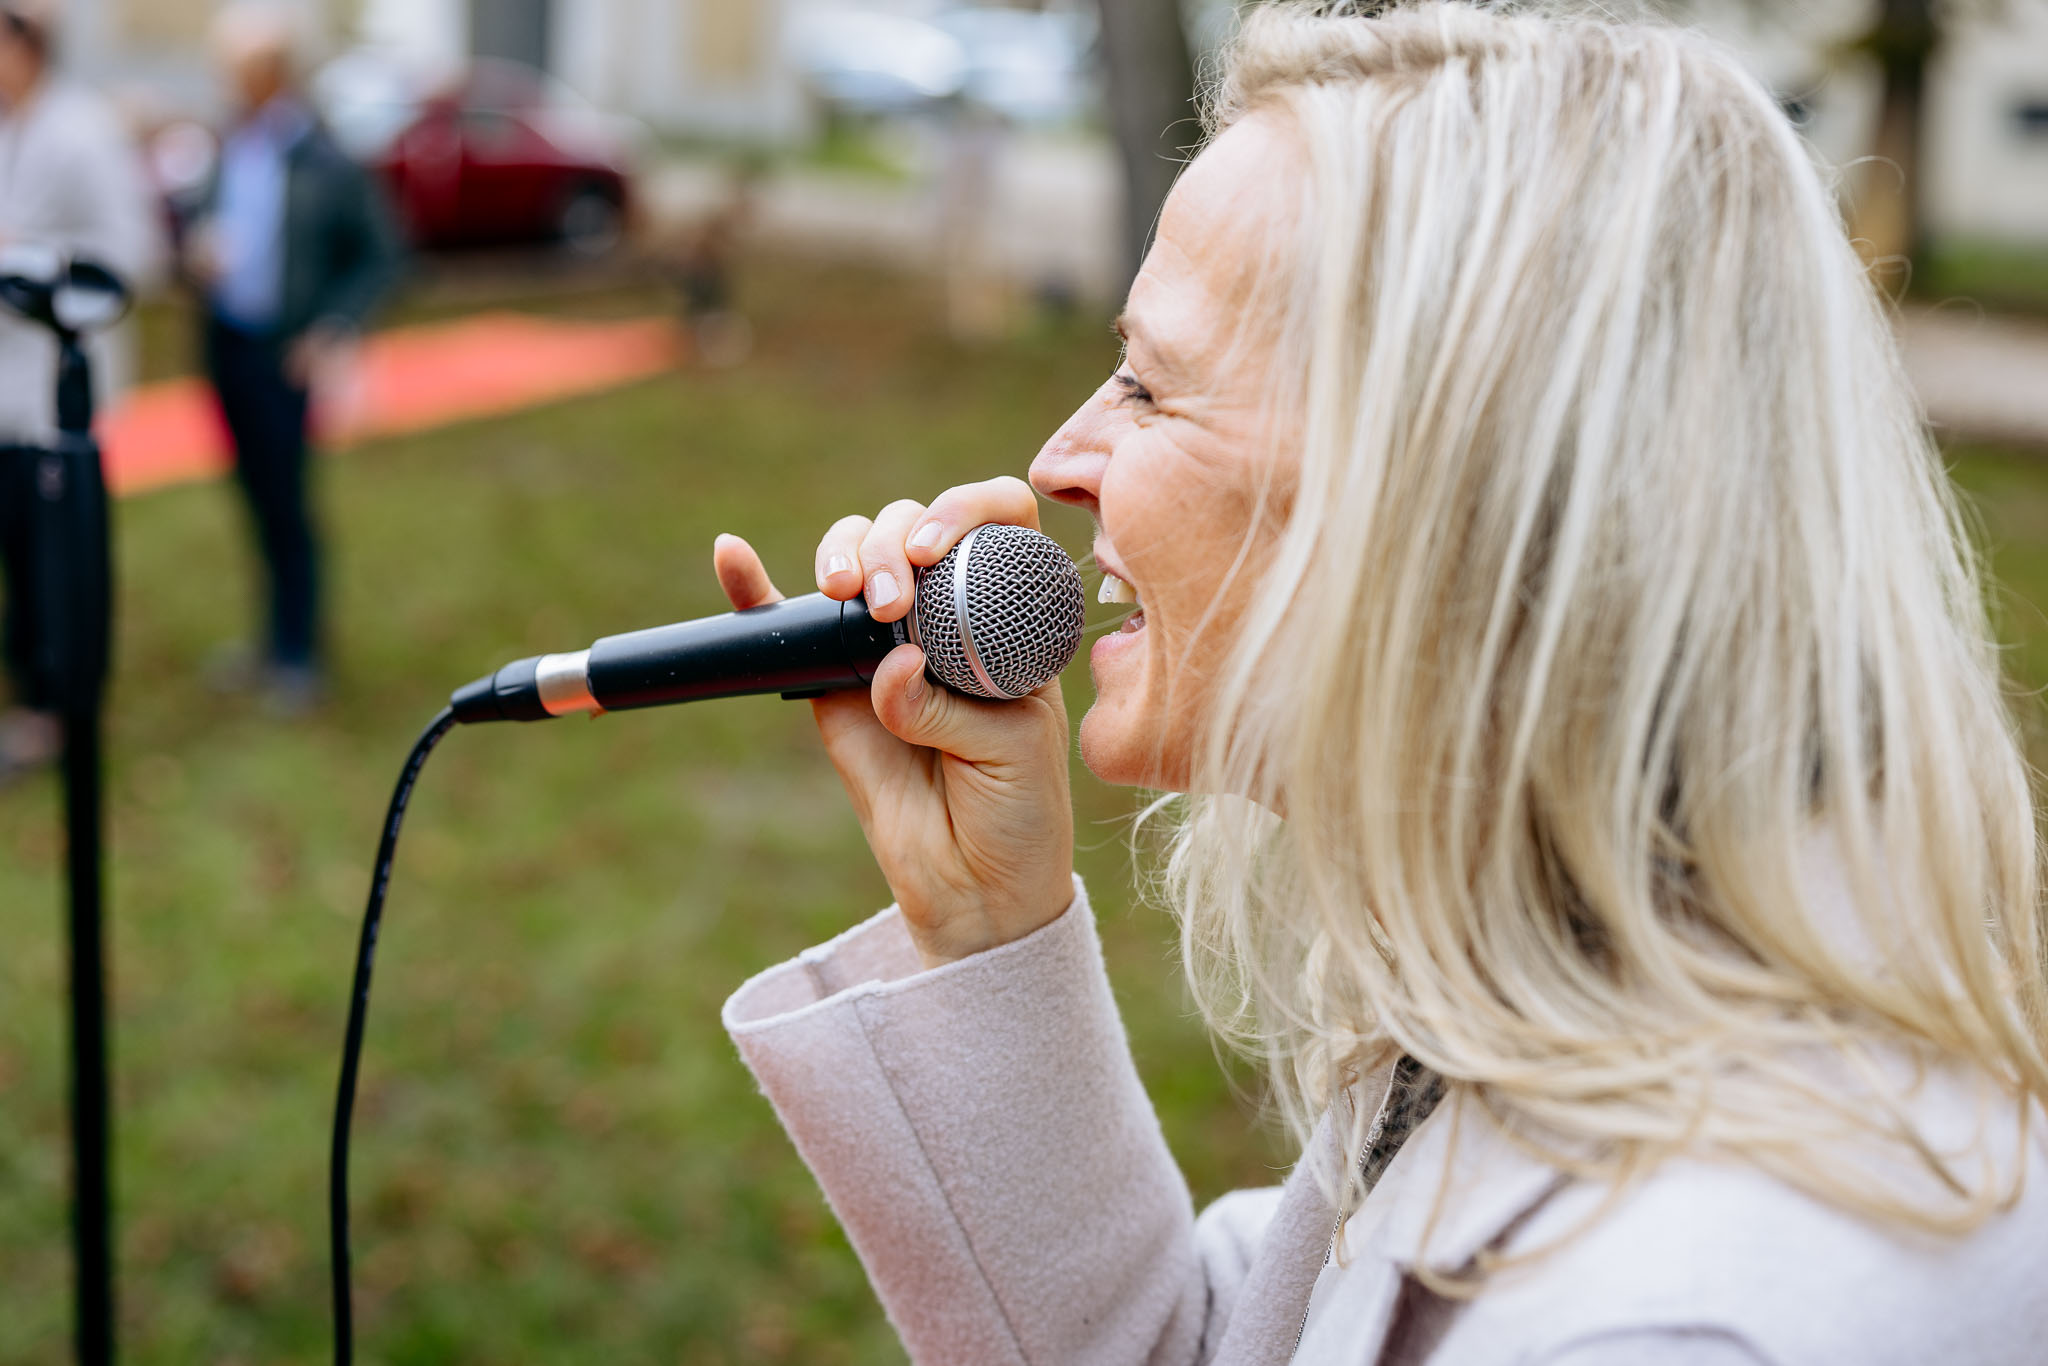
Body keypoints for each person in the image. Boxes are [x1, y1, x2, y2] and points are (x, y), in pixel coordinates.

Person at [705, 6, 2048, 1364]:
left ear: (1442, 491)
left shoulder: (1675, 1324)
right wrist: (989, 922)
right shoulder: (1585, 995)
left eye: (1149, 387)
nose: (1057, 457)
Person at [188, 3, 400, 714]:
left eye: (239, 68)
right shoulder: (226, 143)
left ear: (273, 72)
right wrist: (199, 248)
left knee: (288, 503)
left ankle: (298, 652)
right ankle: (268, 639)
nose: (228, 81)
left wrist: (333, 324)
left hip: (287, 355)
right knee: (251, 496)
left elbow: (381, 254)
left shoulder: (325, 157)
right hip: (228, 343)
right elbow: (200, 217)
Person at [0, 0, 162, 780]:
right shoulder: (10, 129)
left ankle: (58, 710)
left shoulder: (83, 131)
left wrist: (28, 257)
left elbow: (136, 255)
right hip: (4, 401)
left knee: (54, 560)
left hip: (52, 400)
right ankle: (28, 691)